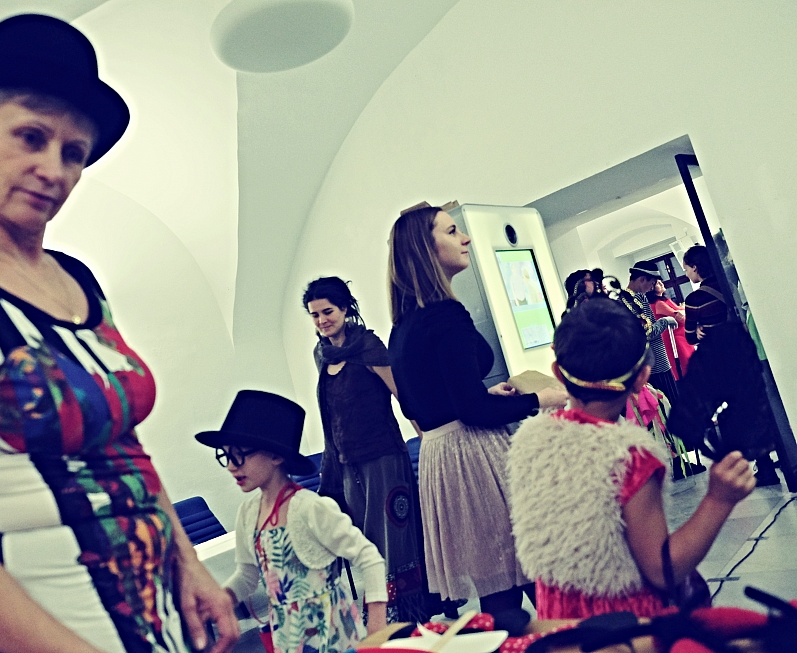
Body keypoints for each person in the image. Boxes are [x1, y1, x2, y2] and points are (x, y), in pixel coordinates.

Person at [0, 15, 237, 653]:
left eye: (73, 153)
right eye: (30, 137)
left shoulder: (79, 279)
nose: (53, 170)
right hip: (46, 627)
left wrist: (188, 562)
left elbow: (123, 443)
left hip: (160, 613)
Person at [507, 298, 756, 620]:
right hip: (624, 627)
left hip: (560, 623)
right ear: (642, 378)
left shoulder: (531, 441)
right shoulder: (627, 458)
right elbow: (662, 571)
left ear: (557, 371)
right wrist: (718, 500)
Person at [385, 204, 567, 614]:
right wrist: (540, 398)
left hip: (440, 457)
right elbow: (471, 411)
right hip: (472, 456)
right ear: (425, 247)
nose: (465, 238)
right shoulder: (445, 314)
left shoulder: (403, 324)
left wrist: (487, 395)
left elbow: (421, 402)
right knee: (532, 576)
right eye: (452, 231)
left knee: (500, 586)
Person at [195, 390, 388, 653]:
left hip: (333, 632)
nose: (230, 466)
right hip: (288, 635)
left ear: (276, 456)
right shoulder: (247, 514)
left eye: (238, 455)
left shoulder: (311, 508)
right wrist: (223, 598)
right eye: (225, 456)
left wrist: (377, 625)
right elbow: (248, 576)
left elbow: (369, 557)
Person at [302, 277, 432, 623]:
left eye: (328, 311)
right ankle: (383, 610)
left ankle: (406, 614)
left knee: (394, 539)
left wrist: (427, 439)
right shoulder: (322, 355)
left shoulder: (369, 347)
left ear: (345, 308)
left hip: (383, 457)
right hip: (346, 464)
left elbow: (404, 397)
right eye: (314, 315)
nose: (322, 320)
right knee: (367, 543)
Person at [672, 245, 780, 487]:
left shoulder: (695, 299)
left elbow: (690, 336)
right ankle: (782, 456)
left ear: (696, 268)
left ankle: (764, 468)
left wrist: (700, 331)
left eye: (687, 269)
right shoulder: (729, 285)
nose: (686, 274)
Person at [617, 262, 679, 400]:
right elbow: (646, 332)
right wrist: (665, 321)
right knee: (670, 404)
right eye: (652, 283)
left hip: (651, 363)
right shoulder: (634, 299)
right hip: (655, 364)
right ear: (642, 279)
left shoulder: (626, 298)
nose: (652, 288)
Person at [647, 279, 694, 379]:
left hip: (680, 336)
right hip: (675, 339)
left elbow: (682, 311)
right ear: (652, 288)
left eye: (660, 281)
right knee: (686, 366)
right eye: (657, 283)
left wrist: (683, 311)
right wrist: (684, 311)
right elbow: (681, 318)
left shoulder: (664, 300)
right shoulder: (659, 303)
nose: (661, 283)